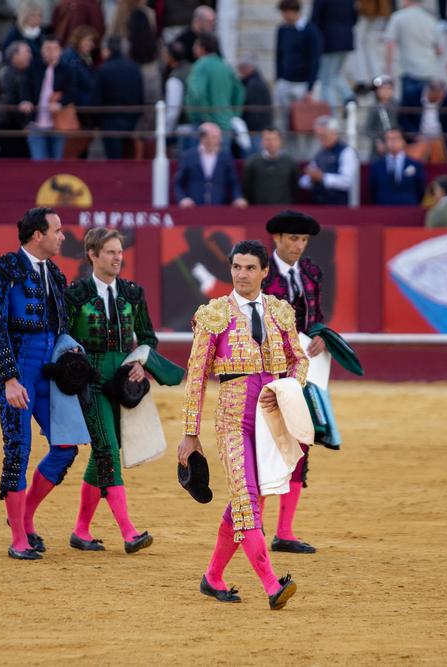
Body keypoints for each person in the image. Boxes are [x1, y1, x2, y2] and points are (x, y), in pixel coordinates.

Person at [177, 239, 306, 610]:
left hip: (270, 420)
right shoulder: (214, 314)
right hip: (232, 419)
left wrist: (285, 388)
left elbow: (299, 362)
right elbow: (196, 377)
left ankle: (212, 577)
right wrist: (190, 434)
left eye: (250, 268)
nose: (242, 274)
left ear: (265, 271)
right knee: (247, 500)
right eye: (236, 267)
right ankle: (271, 584)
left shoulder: (281, 313)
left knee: (248, 501)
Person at [0, 207, 78, 560]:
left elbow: (60, 328)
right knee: (18, 450)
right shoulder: (2, 270)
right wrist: (8, 378)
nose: (62, 236)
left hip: (47, 372)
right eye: (57, 230)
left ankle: (26, 517)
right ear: (38, 234)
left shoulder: (54, 273)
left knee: (65, 445)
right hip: (18, 373)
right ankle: (19, 539)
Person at [64, 227, 162, 553]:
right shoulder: (75, 294)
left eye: (119, 251)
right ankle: (129, 531)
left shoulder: (133, 293)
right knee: (107, 450)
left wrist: (140, 362)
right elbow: (62, 338)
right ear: (92, 254)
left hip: (122, 382)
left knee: (105, 450)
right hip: (89, 382)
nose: (118, 257)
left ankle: (81, 530)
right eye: (110, 251)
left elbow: (148, 338)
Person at [260, 210, 325, 554]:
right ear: (277, 239)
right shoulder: (259, 272)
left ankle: (284, 531)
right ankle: (252, 525)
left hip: (302, 372)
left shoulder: (312, 273)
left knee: (300, 442)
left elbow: (316, 319)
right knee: (264, 446)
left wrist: (320, 336)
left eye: (303, 240)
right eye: (293, 239)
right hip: (266, 372)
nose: (298, 246)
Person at [384, 0, 443, 133]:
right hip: (428, 72)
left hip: (409, 73)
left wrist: (388, 71)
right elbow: (440, 50)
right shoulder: (431, 20)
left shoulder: (398, 17)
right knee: (425, 115)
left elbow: (390, 44)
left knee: (408, 117)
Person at [273, 0, 322, 136]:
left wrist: (310, 88)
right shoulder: (283, 30)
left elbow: (315, 60)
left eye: (287, 13)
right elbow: (279, 56)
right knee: (286, 124)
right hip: (286, 81)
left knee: (307, 124)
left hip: (303, 84)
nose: (285, 16)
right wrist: (279, 79)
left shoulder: (311, 31)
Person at [174, 122, 247, 208]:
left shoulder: (225, 157)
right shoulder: (188, 157)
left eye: (219, 137)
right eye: (214, 137)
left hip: (219, 209)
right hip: (194, 208)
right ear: (203, 138)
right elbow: (178, 183)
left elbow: (234, 182)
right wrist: (183, 199)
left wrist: (238, 198)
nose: (219, 141)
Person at [185, 32, 244, 138]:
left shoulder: (200, 66)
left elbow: (197, 93)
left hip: (204, 126)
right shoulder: (225, 66)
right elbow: (239, 92)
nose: (193, 48)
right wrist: (232, 114)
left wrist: (205, 117)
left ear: (203, 48)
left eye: (196, 45)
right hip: (225, 123)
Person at [93, 36, 143, 160]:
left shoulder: (103, 70)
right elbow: (140, 97)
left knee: (113, 159)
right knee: (129, 157)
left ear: (108, 50)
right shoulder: (134, 68)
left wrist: (97, 122)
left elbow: (96, 99)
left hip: (109, 122)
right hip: (131, 121)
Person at [29, 37, 74, 160]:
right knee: (38, 161)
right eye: (47, 49)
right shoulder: (34, 68)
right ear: (42, 51)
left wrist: (60, 103)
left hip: (57, 122)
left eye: (54, 49)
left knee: (56, 161)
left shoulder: (67, 70)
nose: (51, 52)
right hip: (36, 122)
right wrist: (25, 102)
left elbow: (71, 93)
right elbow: (26, 88)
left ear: (60, 51)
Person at [0, 40, 37, 158]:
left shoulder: (19, 72)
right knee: (19, 157)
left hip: (9, 123)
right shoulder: (7, 73)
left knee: (5, 157)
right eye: (27, 52)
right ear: (15, 55)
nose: (30, 56)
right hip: (7, 124)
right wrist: (23, 123)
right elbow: (7, 99)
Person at [311, 0, 356, 115]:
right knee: (335, 74)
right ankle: (349, 97)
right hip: (345, 39)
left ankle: (331, 117)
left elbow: (315, 20)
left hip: (329, 42)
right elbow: (354, 17)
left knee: (326, 81)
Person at [299, 115, 356, 205]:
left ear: (334, 133)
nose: (321, 139)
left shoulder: (346, 152)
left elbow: (347, 182)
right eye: (319, 136)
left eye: (323, 136)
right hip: (318, 203)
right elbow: (303, 182)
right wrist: (311, 178)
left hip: (338, 206)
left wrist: (323, 177)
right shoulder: (319, 153)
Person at [368, 128, 426, 205]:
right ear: (385, 143)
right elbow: (373, 190)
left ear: (403, 142)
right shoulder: (376, 166)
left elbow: (420, 189)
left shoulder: (415, 165)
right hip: (383, 208)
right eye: (389, 139)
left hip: (408, 208)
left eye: (395, 138)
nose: (392, 142)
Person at [243, 127, 299, 205]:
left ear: (280, 141)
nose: (271, 142)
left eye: (274, 139)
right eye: (267, 139)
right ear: (262, 142)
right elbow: (247, 186)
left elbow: (295, 186)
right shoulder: (252, 162)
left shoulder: (290, 162)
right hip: (259, 209)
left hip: (283, 209)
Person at [236, 53, 272, 145]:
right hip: (255, 130)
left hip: (255, 131)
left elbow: (254, 111)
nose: (239, 71)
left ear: (248, 68)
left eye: (241, 68)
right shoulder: (251, 83)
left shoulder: (254, 85)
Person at [1, 1, 45, 71]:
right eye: (33, 15)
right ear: (25, 16)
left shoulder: (41, 33)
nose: (37, 18)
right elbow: (6, 53)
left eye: (39, 15)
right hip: (19, 70)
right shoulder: (16, 32)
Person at [363, 74, 398, 160]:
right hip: (379, 146)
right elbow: (368, 128)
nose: (385, 91)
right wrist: (377, 141)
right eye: (382, 89)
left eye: (388, 88)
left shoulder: (397, 106)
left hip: (396, 142)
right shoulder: (374, 108)